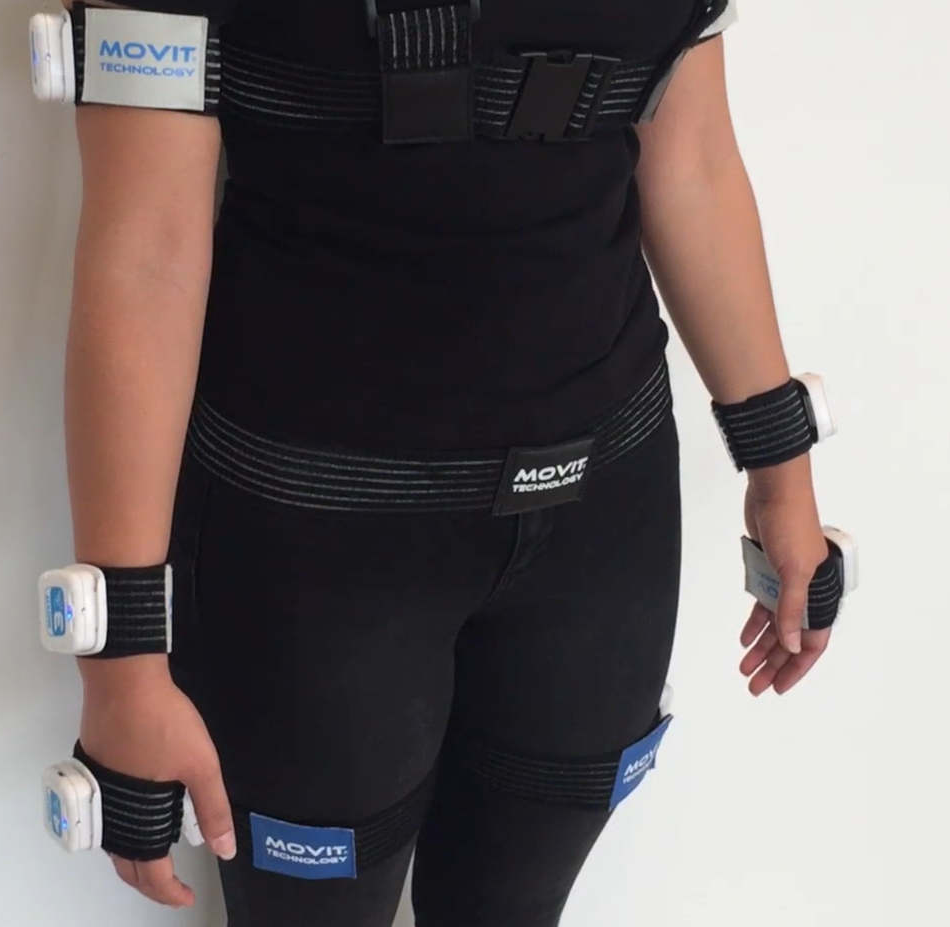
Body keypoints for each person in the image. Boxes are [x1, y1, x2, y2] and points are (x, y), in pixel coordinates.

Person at [58, 0, 835, 924]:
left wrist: (780, 472)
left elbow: (692, 159)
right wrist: (121, 661)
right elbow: (146, 252)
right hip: (316, 531)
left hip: (602, 509)